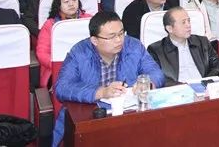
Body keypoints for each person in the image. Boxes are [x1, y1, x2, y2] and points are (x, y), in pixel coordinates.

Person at [53, 11, 164, 146]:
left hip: (129, 116)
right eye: (112, 36)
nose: (119, 40)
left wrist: (147, 84)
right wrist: (101, 92)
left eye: (121, 33)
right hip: (91, 119)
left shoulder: (134, 46)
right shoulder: (79, 53)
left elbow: (155, 72)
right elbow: (62, 88)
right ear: (95, 40)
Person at [147, 7, 219, 85]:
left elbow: (218, 65)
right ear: (170, 28)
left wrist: (206, 82)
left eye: (189, 21)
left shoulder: (202, 42)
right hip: (177, 90)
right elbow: (158, 77)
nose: (188, 25)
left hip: (205, 87)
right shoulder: (156, 50)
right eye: (183, 22)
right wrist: (184, 87)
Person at [36, 0, 91, 87]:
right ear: (59, 4)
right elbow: (42, 53)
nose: (71, 4)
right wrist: (60, 65)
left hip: (89, 66)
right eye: (66, 1)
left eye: (74, 0)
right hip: (59, 68)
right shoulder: (50, 24)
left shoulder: (89, 20)